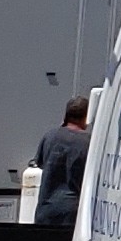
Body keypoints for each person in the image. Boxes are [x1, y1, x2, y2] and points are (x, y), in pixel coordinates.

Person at [31, 97, 90, 229]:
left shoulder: (49, 136)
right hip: (72, 213)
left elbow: (40, 164)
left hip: (45, 210)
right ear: (86, 116)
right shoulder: (88, 142)